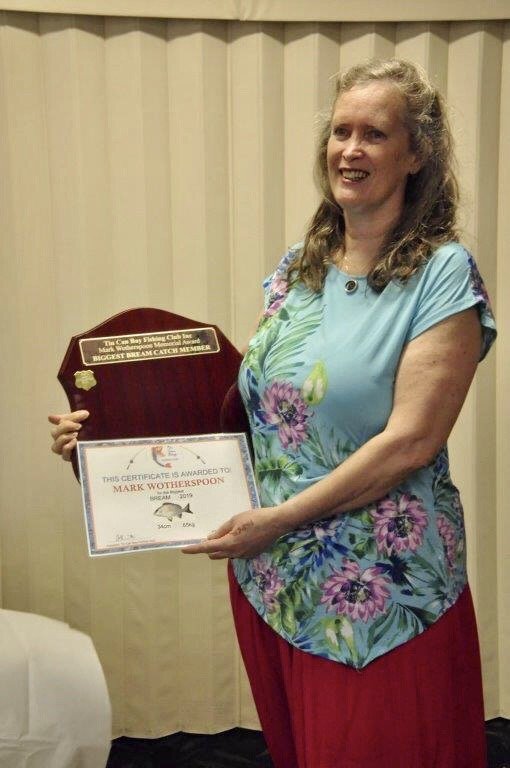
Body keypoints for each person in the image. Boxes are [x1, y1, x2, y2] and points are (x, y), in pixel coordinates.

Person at [50, 59, 496, 768]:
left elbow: (412, 441)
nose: (351, 150)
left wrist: (280, 520)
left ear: (415, 155)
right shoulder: (298, 270)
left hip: (383, 594)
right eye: (341, 131)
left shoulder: (441, 273)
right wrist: (109, 450)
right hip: (277, 586)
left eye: (375, 134)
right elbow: (261, 422)